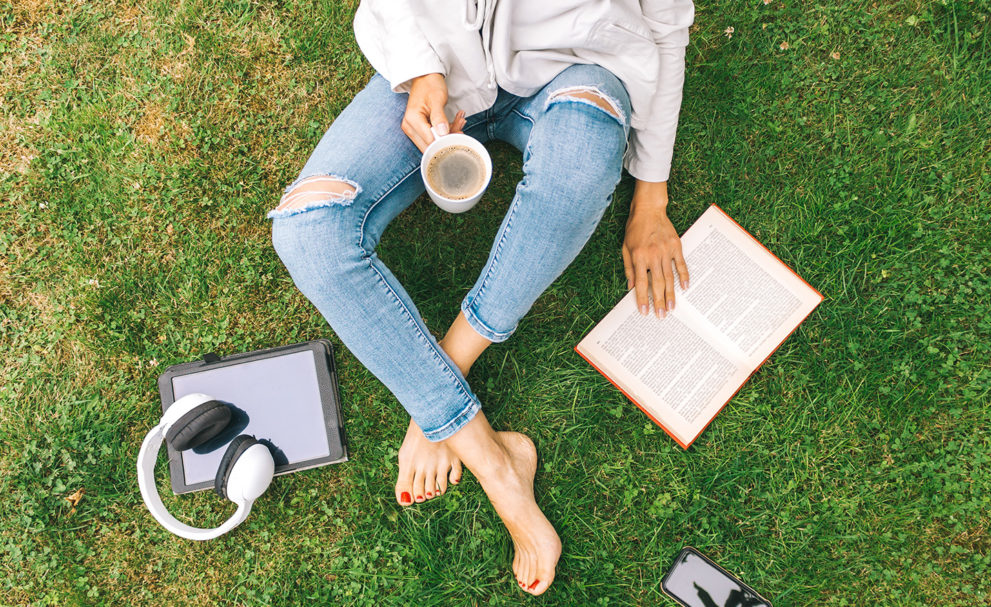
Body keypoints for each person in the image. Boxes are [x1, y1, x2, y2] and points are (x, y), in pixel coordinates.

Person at [268, 0, 695, 596]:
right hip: (437, 66)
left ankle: (446, 374)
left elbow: (668, 30)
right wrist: (421, 70)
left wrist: (651, 199)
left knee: (577, 169)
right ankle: (495, 464)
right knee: (306, 230)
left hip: (576, 71)